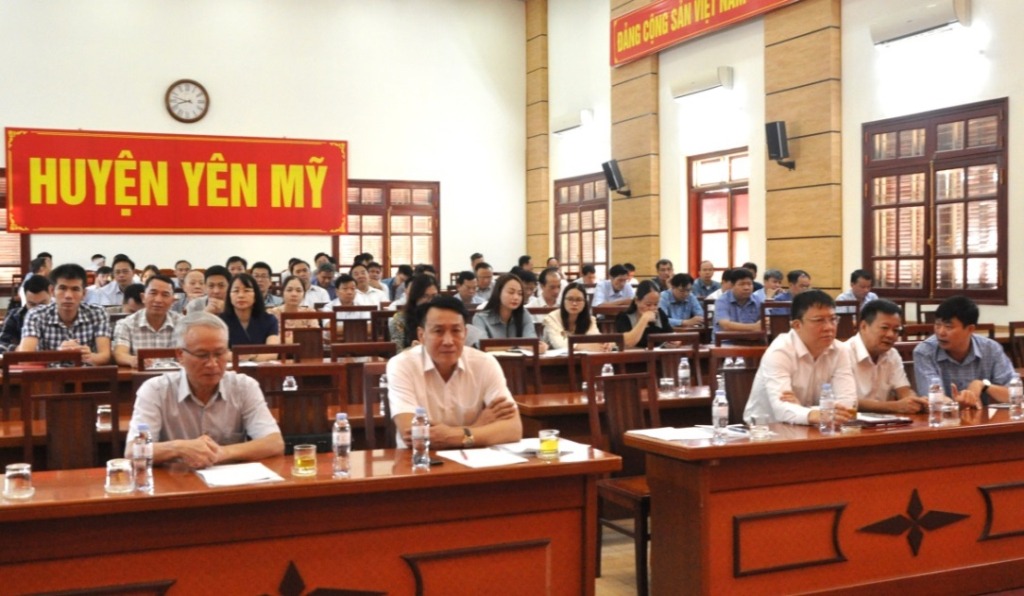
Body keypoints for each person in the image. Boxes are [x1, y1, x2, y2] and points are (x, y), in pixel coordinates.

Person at [125, 312, 284, 466]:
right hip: (176, 478)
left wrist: (221, 453)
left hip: (230, 479)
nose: (212, 364)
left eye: (219, 353)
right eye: (202, 355)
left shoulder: (244, 387)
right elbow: (133, 450)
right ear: (180, 355)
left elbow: (274, 442)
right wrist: (178, 448)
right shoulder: (155, 390)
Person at [387, 296, 523, 449]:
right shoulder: (402, 365)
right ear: (421, 335)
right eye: (438, 331)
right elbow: (413, 436)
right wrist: (477, 426)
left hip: (475, 459)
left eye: (456, 331)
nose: (448, 341)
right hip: (420, 460)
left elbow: (513, 429)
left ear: (465, 333)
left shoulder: (485, 363)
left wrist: (451, 436)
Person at [743, 291, 857, 426]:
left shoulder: (840, 350)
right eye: (819, 320)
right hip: (765, 430)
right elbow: (782, 410)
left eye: (833, 319)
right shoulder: (780, 351)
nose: (829, 327)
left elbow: (848, 402)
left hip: (814, 428)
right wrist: (817, 412)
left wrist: (807, 410)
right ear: (797, 325)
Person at [912, 295, 1015, 408]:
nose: (941, 332)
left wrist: (982, 385)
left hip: (982, 417)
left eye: (948, 327)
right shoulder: (925, 352)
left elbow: (1014, 394)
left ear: (970, 329)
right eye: (937, 325)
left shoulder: (991, 349)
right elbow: (933, 398)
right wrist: (957, 404)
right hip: (944, 418)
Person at [18, 263, 111, 365]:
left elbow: (105, 356)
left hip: (86, 373)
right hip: (48, 374)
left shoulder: (97, 313)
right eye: (62, 288)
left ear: (84, 294)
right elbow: (25, 358)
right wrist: (60, 354)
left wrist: (88, 356)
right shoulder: (36, 315)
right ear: (52, 291)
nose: (68, 296)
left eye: (75, 289)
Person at [845, 299, 927, 414]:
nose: (891, 335)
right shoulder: (844, 353)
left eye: (896, 330)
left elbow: (903, 390)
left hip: (885, 421)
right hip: (850, 421)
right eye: (884, 328)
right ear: (863, 326)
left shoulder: (892, 354)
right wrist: (893, 406)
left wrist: (915, 401)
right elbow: (847, 401)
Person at [112, 275, 183, 368]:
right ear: (143, 297)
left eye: (165, 295)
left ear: (173, 301)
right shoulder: (126, 324)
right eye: (153, 293)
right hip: (140, 375)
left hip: (174, 375)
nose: (158, 300)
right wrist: (132, 360)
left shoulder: (183, 323)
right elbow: (119, 354)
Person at [472, 273, 547, 353]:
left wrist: (539, 347)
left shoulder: (524, 314)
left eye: (520, 294)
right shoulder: (480, 318)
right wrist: (518, 346)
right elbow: (483, 346)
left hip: (520, 361)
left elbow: (531, 342)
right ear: (499, 292)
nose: (516, 297)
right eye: (511, 292)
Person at [219, 273, 281, 361]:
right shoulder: (220, 322)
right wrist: (251, 356)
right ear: (229, 296)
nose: (241, 295)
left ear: (255, 295)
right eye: (236, 291)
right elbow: (220, 352)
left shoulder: (269, 320)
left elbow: (272, 352)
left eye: (247, 290)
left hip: (261, 367)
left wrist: (245, 357)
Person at [543, 284, 608, 351]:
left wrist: (605, 343)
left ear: (585, 303)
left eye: (579, 300)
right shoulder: (552, 318)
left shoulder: (590, 320)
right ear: (563, 301)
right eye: (570, 299)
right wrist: (584, 346)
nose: (574, 303)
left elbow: (595, 338)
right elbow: (559, 344)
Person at [0, 274, 52, 353]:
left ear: (51, 293)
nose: (37, 310)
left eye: (42, 304)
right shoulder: (15, 316)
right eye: (32, 304)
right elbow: (2, 344)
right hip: (22, 359)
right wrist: (20, 349)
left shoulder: (60, 315)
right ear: (25, 299)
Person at [614, 280, 673, 349]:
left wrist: (673, 342)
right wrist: (644, 319)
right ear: (637, 301)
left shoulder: (660, 313)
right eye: (648, 304)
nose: (652, 308)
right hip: (634, 354)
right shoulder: (624, 317)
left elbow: (670, 336)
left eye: (656, 304)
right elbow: (627, 343)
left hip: (657, 354)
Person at [390, 274, 440, 352]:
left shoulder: (442, 317)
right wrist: (412, 349)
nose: (430, 301)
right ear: (415, 297)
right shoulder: (400, 319)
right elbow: (396, 350)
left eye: (434, 296)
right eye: (425, 296)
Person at [712, 267, 762, 340]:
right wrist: (754, 327)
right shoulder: (722, 301)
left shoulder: (757, 300)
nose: (746, 288)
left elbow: (766, 321)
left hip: (751, 342)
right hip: (726, 343)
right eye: (742, 284)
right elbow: (725, 326)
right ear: (732, 286)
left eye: (749, 284)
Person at [268, 275, 318, 344]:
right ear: (282, 293)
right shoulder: (272, 314)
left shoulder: (309, 313)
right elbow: (271, 341)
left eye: (298, 291)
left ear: (304, 295)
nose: (294, 294)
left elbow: (315, 338)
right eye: (289, 290)